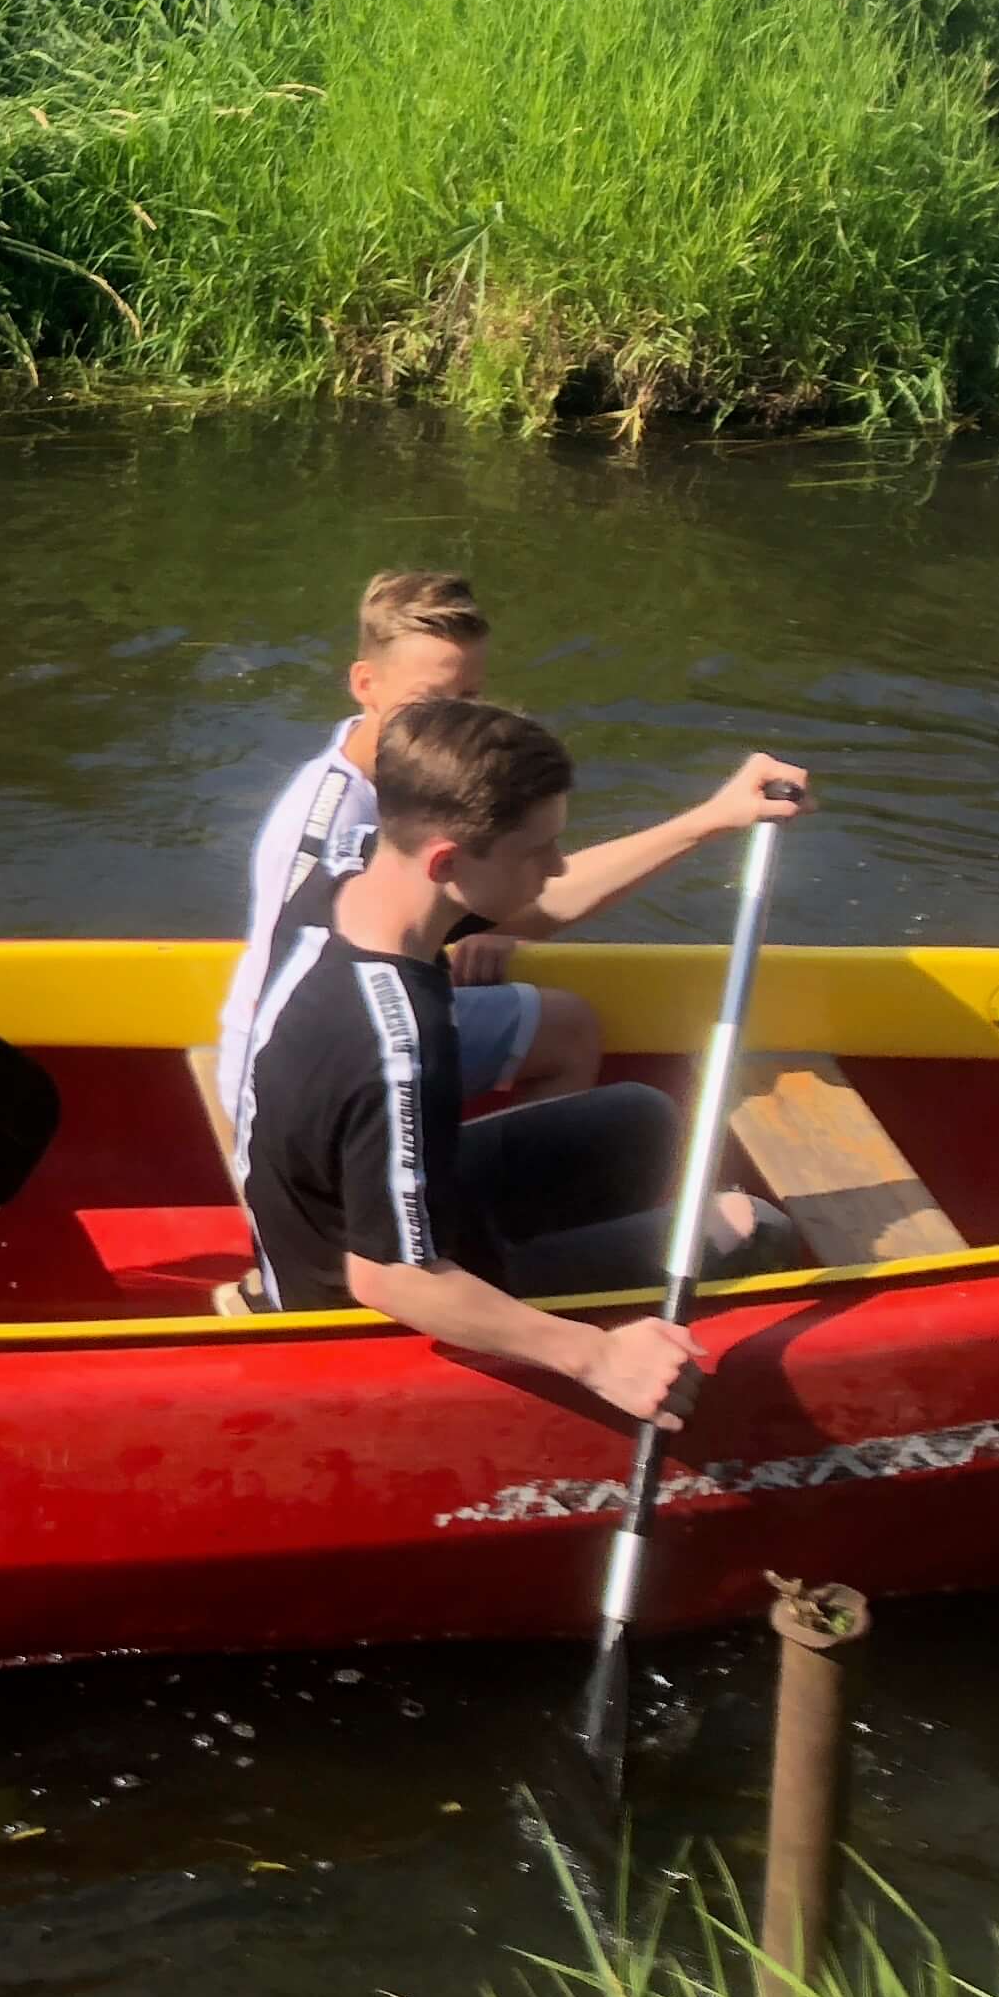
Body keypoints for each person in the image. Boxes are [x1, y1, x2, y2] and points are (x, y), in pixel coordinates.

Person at [230, 696, 792, 1418]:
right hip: (372, 1314)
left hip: (378, 1219)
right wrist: (597, 1358)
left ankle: (612, 1283)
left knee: (643, 1119)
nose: (554, 864)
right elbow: (392, 1279)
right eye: (537, 850)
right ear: (449, 862)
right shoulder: (393, 1044)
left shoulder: (352, 870)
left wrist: (710, 820)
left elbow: (543, 904)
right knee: (754, 1229)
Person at [214, 568, 812, 1153]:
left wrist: (712, 818)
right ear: (364, 683)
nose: (452, 723)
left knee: (566, 1027)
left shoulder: (427, 781)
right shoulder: (332, 821)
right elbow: (307, 993)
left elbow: (534, 892)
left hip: (357, 1020)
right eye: (428, 702)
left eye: (469, 699)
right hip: (298, 1086)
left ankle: (516, 1199)